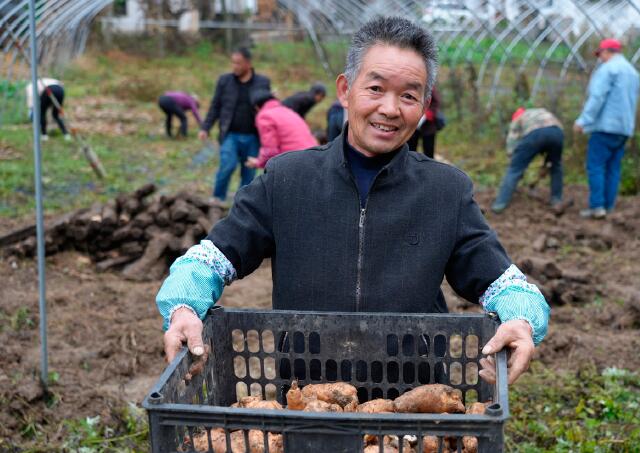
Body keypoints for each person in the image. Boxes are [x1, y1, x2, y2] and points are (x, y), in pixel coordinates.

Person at [157, 16, 550, 386]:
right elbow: (210, 258)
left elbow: (504, 283)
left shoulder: (445, 191)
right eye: (375, 88)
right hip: (307, 397)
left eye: (409, 96)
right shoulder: (287, 179)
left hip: (413, 401)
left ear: (424, 107)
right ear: (345, 90)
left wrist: (522, 319)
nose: (390, 109)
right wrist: (184, 308)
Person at [574, 38, 640, 219]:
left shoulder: (607, 70)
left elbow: (597, 97)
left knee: (595, 166)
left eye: (600, 54)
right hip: (624, 128)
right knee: (613, 168)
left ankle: (597, 207)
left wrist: (583, 121)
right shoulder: (633, 72)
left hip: (605, 127)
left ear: (607, 52)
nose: (600, 58)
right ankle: (608, 206)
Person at [199, 48, 272, 201]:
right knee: (227, 165)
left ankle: (242, 205)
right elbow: (215, 106)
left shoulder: (262, 82)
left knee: (249, 174)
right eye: (233, 62)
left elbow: (267, 108)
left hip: (253, 136)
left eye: (238, 63)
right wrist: (206, 127)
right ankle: (217, 199)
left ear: (248, 63)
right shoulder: (225, 81)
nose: (234, 66)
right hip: (230, 134)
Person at [491, 107, 564, 213]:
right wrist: (547, 164)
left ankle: (500, 204)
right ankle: (556, 200)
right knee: (556, 167)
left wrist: (513, 160)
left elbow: (512, 141)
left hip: (535, 134)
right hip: (557, 132)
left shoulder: (518, 118)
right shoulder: (540, 111)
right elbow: (549, 134)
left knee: (514, 170)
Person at [245, 89, 318, 169]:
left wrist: (258, 163)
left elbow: (270, 150)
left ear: (256, 107)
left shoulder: (264, 116)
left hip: (295, 161)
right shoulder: (288, 111)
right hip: (314, 155)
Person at [406, 86, 441, 158]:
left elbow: (436, 102)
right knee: (410, 151)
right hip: (412, 125)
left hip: (428, 126)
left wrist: (427, 115)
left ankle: (430, 168)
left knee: (429, 151)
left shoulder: (430, 87)